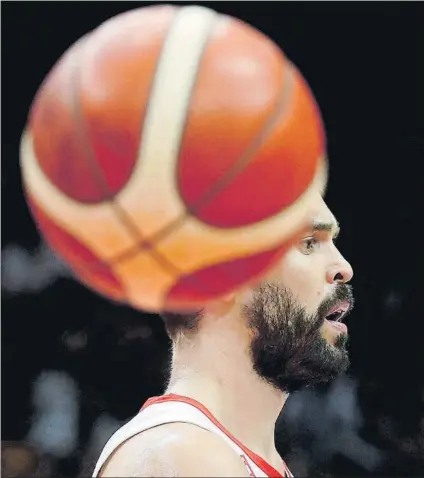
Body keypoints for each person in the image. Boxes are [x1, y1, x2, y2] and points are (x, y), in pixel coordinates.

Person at [93, 191, 354, 477]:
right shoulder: (182, 455)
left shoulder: (217, 453)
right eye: (309, 243)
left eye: (333, 242)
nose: (344, 267)